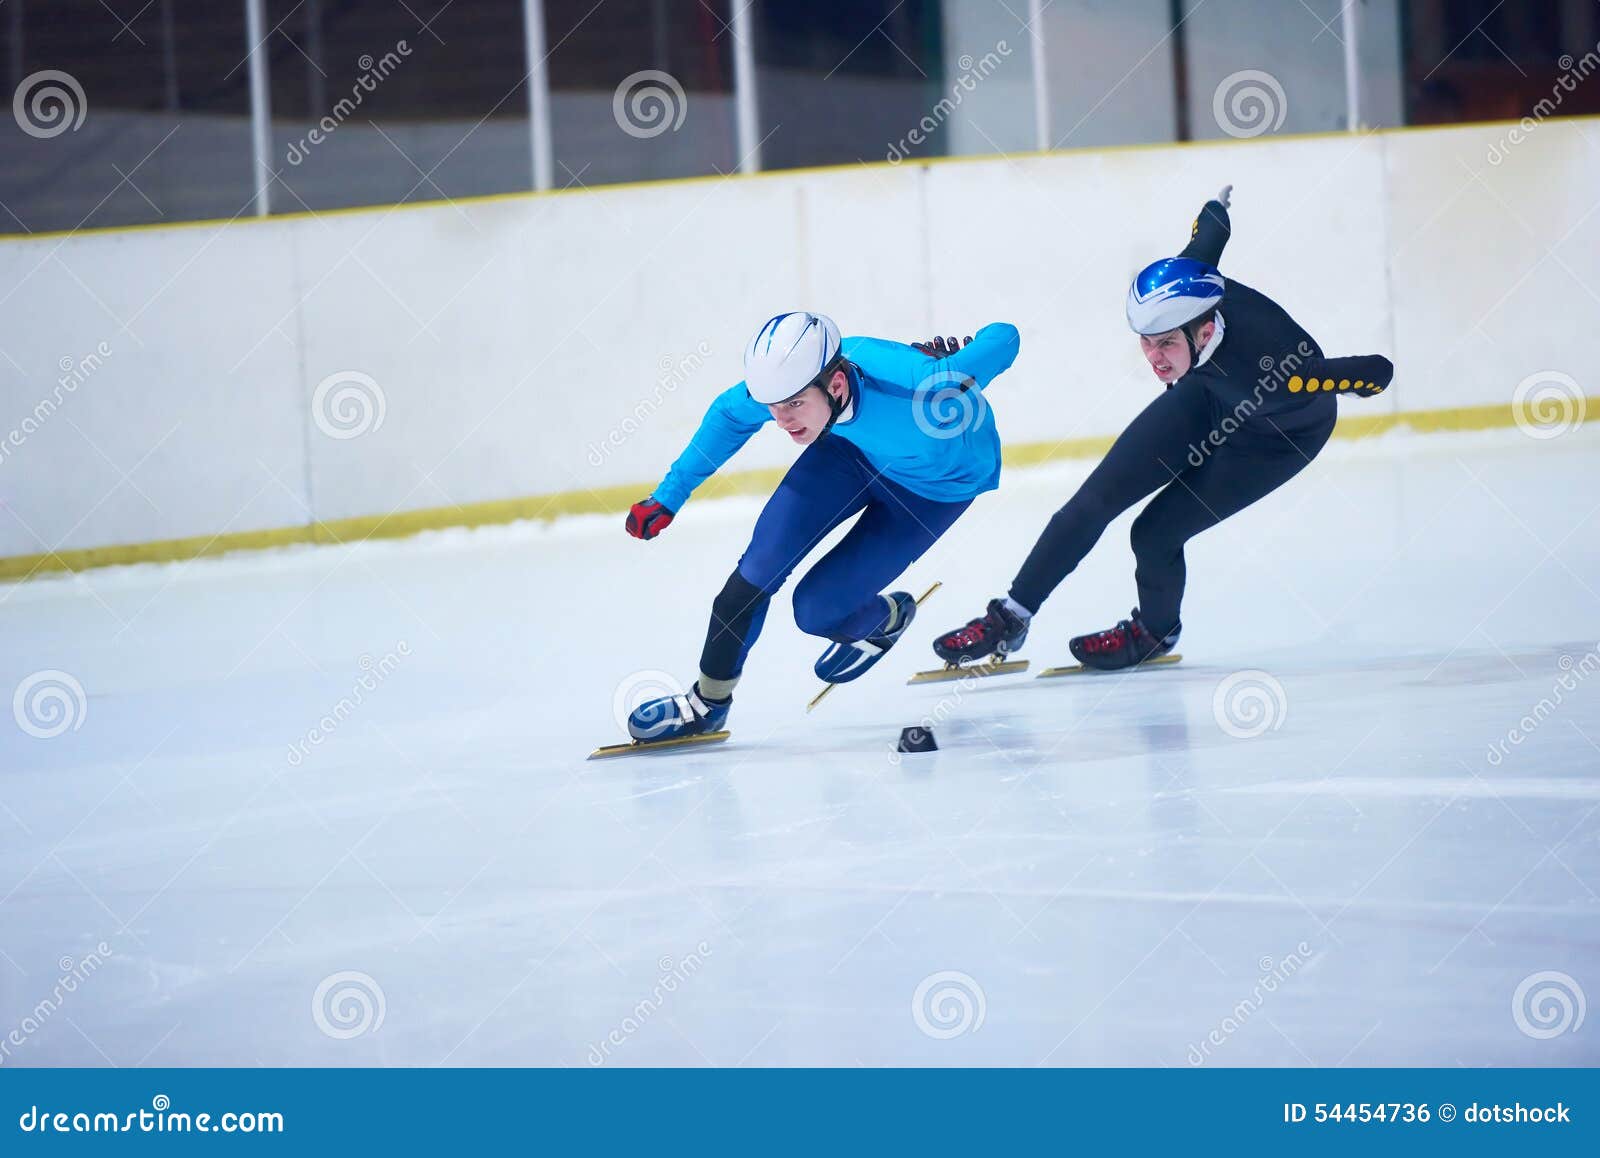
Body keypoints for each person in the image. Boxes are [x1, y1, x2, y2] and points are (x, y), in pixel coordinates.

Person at [932, 185, 1393, 671]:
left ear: (1206, 329)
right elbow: (1210, 234)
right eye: (1146, 343)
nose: (1154, 359)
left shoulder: (1279, 372)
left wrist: (1360, 384)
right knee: (1089, 504)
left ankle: (1154, 632)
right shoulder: (1192, 288)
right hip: (1210, 396)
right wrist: (1218, 205)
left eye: (1166, 344)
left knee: (1153, 534)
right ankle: (1013, 616)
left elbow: (1377, 369)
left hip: (1276, 440)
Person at [624, 311, 1021, 740]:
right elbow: (728, 415)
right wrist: (668, 496)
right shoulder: (796, 380)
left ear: (835, 385)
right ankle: (707, 704)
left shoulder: (922, 384)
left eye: (794, 405)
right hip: (848, 454)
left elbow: (1007, 336)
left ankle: (884, 619)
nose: (782, 420)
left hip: (932, 491)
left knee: (815, 611)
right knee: (754, 573)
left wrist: (959, 364)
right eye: (774, 407)